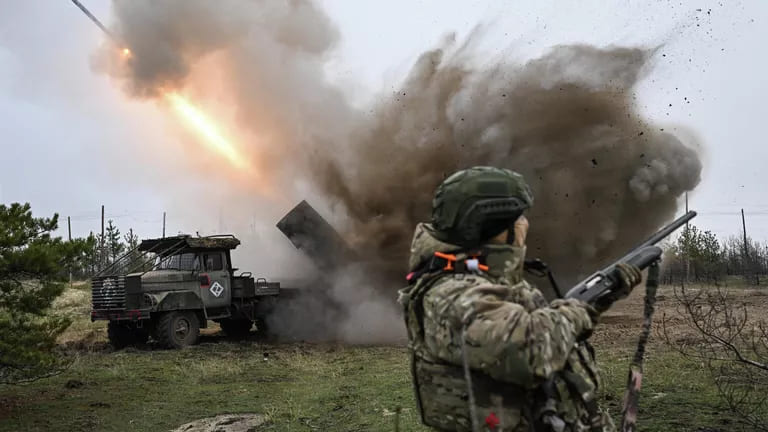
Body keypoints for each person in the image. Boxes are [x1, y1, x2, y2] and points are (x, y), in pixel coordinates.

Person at [399, 166, 643, 431]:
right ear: (496, 228)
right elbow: (529, 348)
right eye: (519, 217)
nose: (525, 224)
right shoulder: (452, 293)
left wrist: (599, 298)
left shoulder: (484, 279)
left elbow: (536, 322)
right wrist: (577, 311)